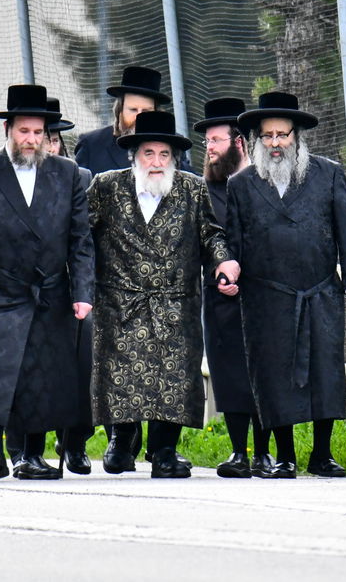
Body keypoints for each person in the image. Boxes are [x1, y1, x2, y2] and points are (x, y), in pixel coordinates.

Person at [0, 84, 95, 480]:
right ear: (8, 130)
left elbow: (80, 240)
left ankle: (32, 454)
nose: (31, 140)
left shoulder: (66, 174)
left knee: (42, 373)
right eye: (23, 131)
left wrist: (82, 292)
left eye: (38, 133)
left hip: (48, 291)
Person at [224, 92, 346, 478]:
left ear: (296, 137)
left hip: (319, 291)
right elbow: (232, 242)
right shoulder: (241, 184)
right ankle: (285, 457)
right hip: (265, 297)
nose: (275, 143)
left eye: (282, 135)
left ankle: (322, 454)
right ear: (257, 139)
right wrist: (227, 271)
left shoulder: (328, 174)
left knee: (326, 372)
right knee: (273, 375)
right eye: (268, 136)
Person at [87, 110, 240, 478]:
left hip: (175, 300)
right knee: (121, 374)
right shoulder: (106, 187)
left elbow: (211, 233)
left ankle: (165, 450)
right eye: (148, 153)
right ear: (134, 155)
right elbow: (80, 235)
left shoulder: (191, 189)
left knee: (173, 377)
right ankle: (121, 440)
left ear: (174, 158)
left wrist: (223, 261)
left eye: (164, 154)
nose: (156, 162)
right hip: (120, 301)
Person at [193, 97, 271, 479]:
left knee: (263, 372)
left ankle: (265, 453)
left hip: (263, 297)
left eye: (216, 140)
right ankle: (239, 451)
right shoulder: (203, 192)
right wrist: (218, 275)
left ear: (238, 142)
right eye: (207, 141)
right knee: (229, 374)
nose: (209, 148)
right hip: (219, 298)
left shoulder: (265, 185)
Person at [47, 95, 97, 474]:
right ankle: (24, 445)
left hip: (71, 286)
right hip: (29, 288)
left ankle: (75, 443)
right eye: (42, 137)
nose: (49, 146)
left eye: (54, 139)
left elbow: (85, 239)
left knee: (80, 364)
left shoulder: (80, 178)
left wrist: (84, 289)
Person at [74, 65, 191, 174]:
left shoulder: (175, 144)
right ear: (120, 111)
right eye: (133, 110)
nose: (139, 117)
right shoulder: (92, 145)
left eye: (146, 111)